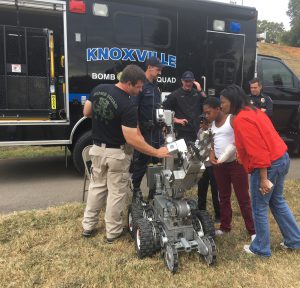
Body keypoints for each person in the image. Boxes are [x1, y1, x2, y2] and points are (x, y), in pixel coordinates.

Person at [81, 64, 170, 243]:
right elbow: (132, 139)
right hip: (117, 154)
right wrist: (156, 152)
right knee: (116, 193)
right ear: (128, 83)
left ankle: (88, 226)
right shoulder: (127, 104)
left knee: (96, 188)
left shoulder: (99, 89)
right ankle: (112, 232)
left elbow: (87, 112)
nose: (140, 90)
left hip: (97, 149)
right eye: (138, 86)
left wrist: (105, 119)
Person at [220, 84, 300, 257]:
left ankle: (261, 248)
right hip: (281, 158)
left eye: (223, 102)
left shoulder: (241, 119)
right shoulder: (253, 111)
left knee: (259, 206)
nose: (221, 106)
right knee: (277, 201)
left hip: (267, 165)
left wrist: (263, 178)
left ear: (232, 101)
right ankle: (294, 240)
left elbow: (259, 151)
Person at [203, 97, 255, 238]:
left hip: (236, 165)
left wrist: (239, 152)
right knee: (223, 197)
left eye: (209, 113)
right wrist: (212, 153)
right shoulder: (211, 124)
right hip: (219, 166)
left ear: (218, 109)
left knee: (243, 198)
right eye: (205, 113)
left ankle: (252, 231)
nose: (207, 116)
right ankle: (225, 227)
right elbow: (212, 141)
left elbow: (241, 137)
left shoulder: (231, 119)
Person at [131, 57, 164, 199]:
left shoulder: (156, 87)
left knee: (157, 162)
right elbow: (134, 110)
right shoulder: (141, 85)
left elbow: (158, 108)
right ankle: (136, 193)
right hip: (144, 132)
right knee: (141, 163)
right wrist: (137, 132)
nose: (159, 72)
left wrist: (163, 125)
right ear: (150, 67)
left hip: (156, 132)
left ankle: (153, 194)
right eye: (158, 69)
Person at [163, 71, 206, 142]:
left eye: (190, 81)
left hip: (197, 130)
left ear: (193, 81)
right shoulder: (175, 95)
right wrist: (175, 120)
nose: (188, 84)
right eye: (186, 81)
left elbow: (206, 102)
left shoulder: (197, 93)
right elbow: (164, 110)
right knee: (184, 152)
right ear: (182, 81)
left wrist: (200, 90)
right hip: (183, 131)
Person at [197, 116, 220, 222]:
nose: (201, 125)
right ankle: (201, 211)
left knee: (215, 190)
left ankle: (218, 215)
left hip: (212, 165)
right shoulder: (200, 132)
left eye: (203, 123)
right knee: (202, 189)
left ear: (208, 124)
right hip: (203, 165)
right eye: (200, 123)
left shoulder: (213, 132)